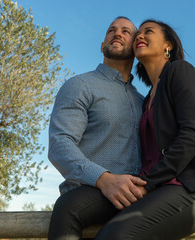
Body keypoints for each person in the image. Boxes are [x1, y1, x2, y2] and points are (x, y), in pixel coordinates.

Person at [94, 20, 195, 240]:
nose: (140, 36)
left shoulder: (181, 71)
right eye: (138, 34)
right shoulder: (147, 98)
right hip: (160, 190)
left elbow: (192, 136)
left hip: (194, 186)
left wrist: (147, 184)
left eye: (148, 32)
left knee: (115, 235)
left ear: (167, 45)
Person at [47, 16, 146, 240]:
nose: (117, 33)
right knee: (68, 206)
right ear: (102, 45)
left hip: (135, 200)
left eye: (126, 32)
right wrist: (104, 179)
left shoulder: (143, 101)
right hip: (86, 195)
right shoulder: (80, 85)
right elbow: (60, 144)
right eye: (111, 30)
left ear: (136, 46)